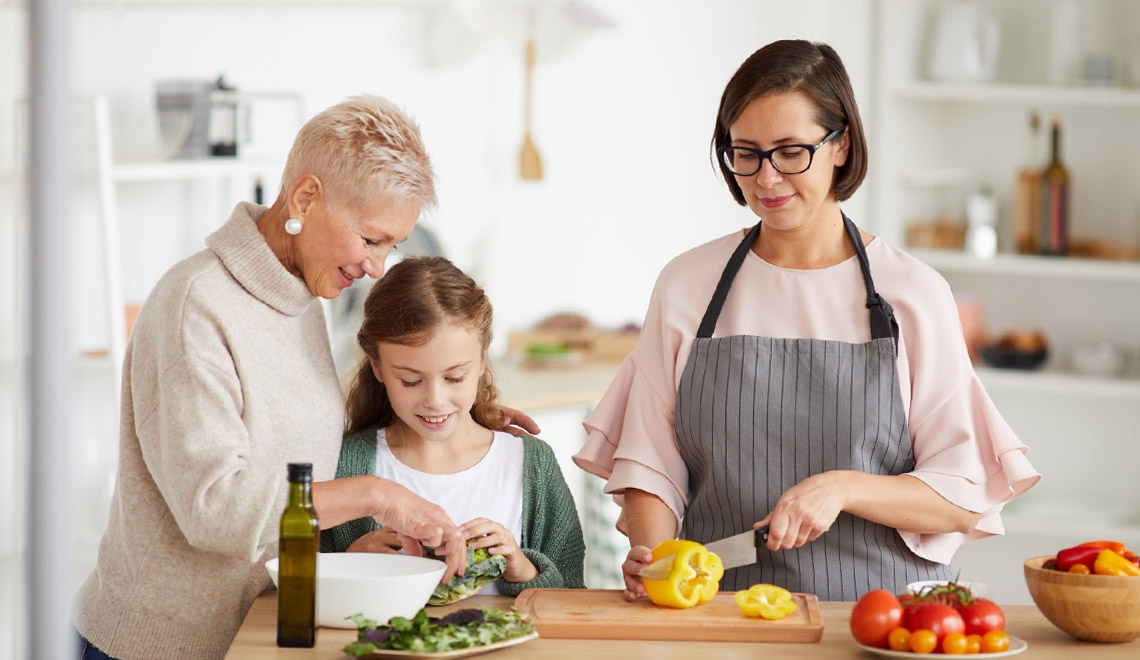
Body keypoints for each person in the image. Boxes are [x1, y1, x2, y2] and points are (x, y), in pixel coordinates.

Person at [72, 95, 539, 660]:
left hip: (266, 631)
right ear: (306, 197)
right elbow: (215, 509)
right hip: (167, 646)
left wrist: (466, 417)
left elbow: (294, 439)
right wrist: (377, 495)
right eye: (371, 239)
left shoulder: (299, 296)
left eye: (391, 246)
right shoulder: (195, 305)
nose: (377, 267)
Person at [573, 40, 1041, 602]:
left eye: (791, 151)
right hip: (716, 614)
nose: (766, 178)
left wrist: (840, 488)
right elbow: (651, 462)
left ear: (840, 145)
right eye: (745, 152)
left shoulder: (912, 294)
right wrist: (654, 558)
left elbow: (961, 496)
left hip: (876, 620)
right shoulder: (687, 285)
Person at [322, 256, 586, 596]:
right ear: (377, 366)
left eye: (455, 377)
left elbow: (574, 594)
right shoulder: (347, 465)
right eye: (410, 381)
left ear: (482, 359)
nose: (435, 399)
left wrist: (525, 569)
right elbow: (306, 590)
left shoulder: (531, 464)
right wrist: (349, 561)